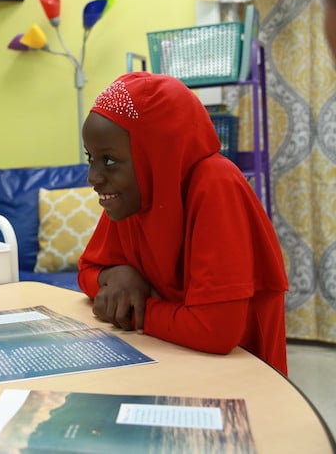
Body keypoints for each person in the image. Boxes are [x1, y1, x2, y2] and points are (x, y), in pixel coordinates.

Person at [77, 71, 288, 375]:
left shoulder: (216, 183)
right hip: (175, 360)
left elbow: (215, 332)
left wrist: (137, 308)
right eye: (91, 158)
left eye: (109, 160)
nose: (93, 178)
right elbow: (87, 270)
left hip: (239, 377)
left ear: (156, 154)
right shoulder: (133, 198)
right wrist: (115, 275)